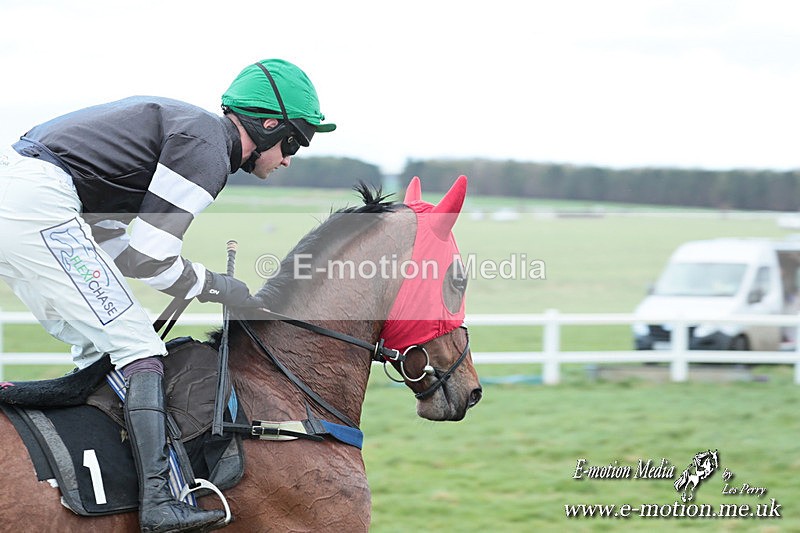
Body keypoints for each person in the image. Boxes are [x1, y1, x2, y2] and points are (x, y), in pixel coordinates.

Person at [0, 59, 335, 532]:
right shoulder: (207, 148)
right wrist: (219, 287)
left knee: (104, 348)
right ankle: (159, 499)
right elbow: (152, 257)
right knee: (139, 347)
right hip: (36, 203)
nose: (289, 158)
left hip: (26, 200)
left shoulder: (185, 134)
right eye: (295, 140)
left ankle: (99, 494)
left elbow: (123, 251)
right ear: (267, 125)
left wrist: (204, 285)